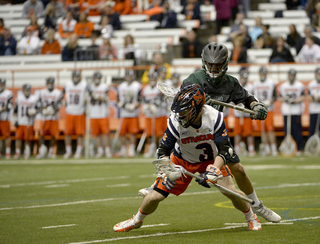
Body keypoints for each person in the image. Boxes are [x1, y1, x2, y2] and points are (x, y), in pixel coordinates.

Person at [139, 42, 281, 223]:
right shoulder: (194, 79)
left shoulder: (229, 83)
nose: (214, 69)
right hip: (191, 134)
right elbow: (181, 106)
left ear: (225, 64)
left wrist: (256, 106)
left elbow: (247, 98)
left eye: (218, 65)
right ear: (204, 62)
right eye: (211, 65)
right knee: (175, 158)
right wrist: (199, 101)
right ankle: (158, 184)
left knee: (240, 170)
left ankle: (257, 205)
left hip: (214, 136)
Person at [113, 84, 262, 232]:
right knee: (154, 197)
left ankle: (251, 217)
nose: (180, 115)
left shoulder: (214, 117)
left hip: (211, 159)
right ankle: (137, 219)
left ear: (196, 108)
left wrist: (213, 171)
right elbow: (162, 150)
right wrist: (168, 169)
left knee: (230, 191)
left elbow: (224, 150)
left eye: (184, 111)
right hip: (182, 160)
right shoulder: (175, 121)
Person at [114, 69, 142, 158]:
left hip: (133, 113)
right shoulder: (121, 86)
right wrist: (123, 105)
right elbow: (117, 100)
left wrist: (133, 106)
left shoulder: (137, 86)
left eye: (130, 76)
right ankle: (123, 149)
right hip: (124, 113)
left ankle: (132, 149)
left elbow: (139, 99)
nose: (129, 78)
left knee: (132, 133)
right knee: (122, 133)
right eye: (127, 76)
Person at [278, 69, 305, 156]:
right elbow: (279, 97)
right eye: (290, 75)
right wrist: (286, 99)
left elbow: (303, 97)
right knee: (287, 131)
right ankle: (288, 148)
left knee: (297, 131)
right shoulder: (283, 86)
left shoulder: (300, 85)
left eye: (293, 75)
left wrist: (295, 100)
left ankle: (298, 148)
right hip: (287, 111)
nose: (291, 77)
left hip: (296, 111)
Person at [252, 66, 278, 156]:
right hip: (259, 110)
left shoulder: (271, 83)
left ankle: (273, 148)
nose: (263, 75)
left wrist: (269, 102)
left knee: (270, 129)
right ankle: (267, 148)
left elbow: (275, 96)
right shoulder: (255, 84)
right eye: (261, 73)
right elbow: (252, 97)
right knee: (262, 130)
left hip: (269, 109)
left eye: (264, 73)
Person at [36, 77, 63, 159]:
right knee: (41, 134)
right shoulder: (42, 92)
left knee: (53, 135)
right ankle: (41, 151)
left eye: (51, 83)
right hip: (44, 117)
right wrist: (42, 111)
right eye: (48, 83)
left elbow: (59, 104)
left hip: (54, 117)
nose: (50, 84)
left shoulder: (57, 92)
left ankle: (51, 151)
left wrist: (54, 110)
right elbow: (38, 104)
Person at [63, 70, 88, 159]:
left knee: (80, 134)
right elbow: (61, 95)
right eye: (74, 77)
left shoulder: (84, 85)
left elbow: (89, 96)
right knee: (67, 133)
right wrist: (63, 101)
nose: (76, 78)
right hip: (69, 112)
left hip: (80, 112)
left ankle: (78, 151)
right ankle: (69, 151)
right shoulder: (67, 84)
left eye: (77, 76)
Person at [88, 71, 112, 158]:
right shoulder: (90, 87)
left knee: (105, 133)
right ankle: (100, 150)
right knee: (96, 134)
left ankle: (107, 150)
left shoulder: (104, 87)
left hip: (102, 113)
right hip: (93, 113)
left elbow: (106, 98)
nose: (97, 80)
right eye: (96, 78)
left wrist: (98, 96)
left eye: (98, 78)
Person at [141, 71, 163, 158]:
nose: (152, 80)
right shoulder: (146, 89)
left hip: (158, 113)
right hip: (149, 114)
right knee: (149, 133)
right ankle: (150, 149)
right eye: (151, 78)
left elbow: (160, 99)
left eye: (154, 78)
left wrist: (154, 105)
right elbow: (143, 100)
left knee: (159, 134)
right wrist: (147, 106)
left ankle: (160, 150)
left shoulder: (159, 88)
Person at [233, 69, 255, 157]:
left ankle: (251, 149)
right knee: (237, 132)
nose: (243, 79)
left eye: (245, 77)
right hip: (238, 113)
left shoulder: (250, 86)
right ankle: (237, 149)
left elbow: (253, 98)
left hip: (246, 113)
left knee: (249, 132)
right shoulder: (235, 86)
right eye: (242, 76)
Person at [14, 84, 39, 159]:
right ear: (23, 91)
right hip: (20, 121)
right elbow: (15, 110)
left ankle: (26, 152)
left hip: (29, 122)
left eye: (28, 90)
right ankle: (17, 152)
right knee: (18, 138)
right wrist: (15, 120)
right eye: (25, 90)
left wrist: (33, 111)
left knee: (27, 139)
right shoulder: (19, 98)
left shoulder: (34, 99)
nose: (27, 92)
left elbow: (37, 109)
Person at [0, 78, 13, 159]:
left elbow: (9, 106)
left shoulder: (8, 93)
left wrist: (1, 109)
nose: (1, 85)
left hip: (4, 118)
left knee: (7, 136)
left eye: (2, 84)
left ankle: (8, 152)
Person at [306, 68, 320, 139]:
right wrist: (315, 99)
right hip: (314, 110)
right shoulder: (311, 84)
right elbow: (308, 96)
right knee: (312, 129)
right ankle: (312, 146)